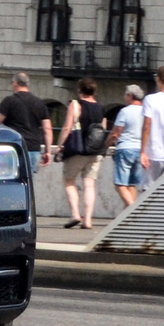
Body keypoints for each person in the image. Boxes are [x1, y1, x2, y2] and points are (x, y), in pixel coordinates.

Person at [57, 77, 103, 230]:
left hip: (77, 149)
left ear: (79, 90)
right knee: (89, 185)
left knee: (69, 181)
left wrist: (60, 145)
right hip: (94, 151)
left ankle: (75, 214)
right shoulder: (100, 108)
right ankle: (88, 220)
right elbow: (101, 129)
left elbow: (67, 127)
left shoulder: (75, 105)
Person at [0, 71, 52, 168]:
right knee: (28, 179)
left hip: (14, 146)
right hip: (33, 148)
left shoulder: (9, 101)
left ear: (16, 83)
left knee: (11, 178)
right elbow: (47, 129)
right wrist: (48, 151)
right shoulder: (40, 103)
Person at [108, 84, 146, 206]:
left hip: (125, 148)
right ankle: (128, 217)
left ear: (130, 96)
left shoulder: (125, 111)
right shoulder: (146, 112)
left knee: (120, 184)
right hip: (141, 149)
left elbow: (116, 132)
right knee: (131, 184)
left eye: (126, 95)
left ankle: (132, 208)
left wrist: (106, 145)